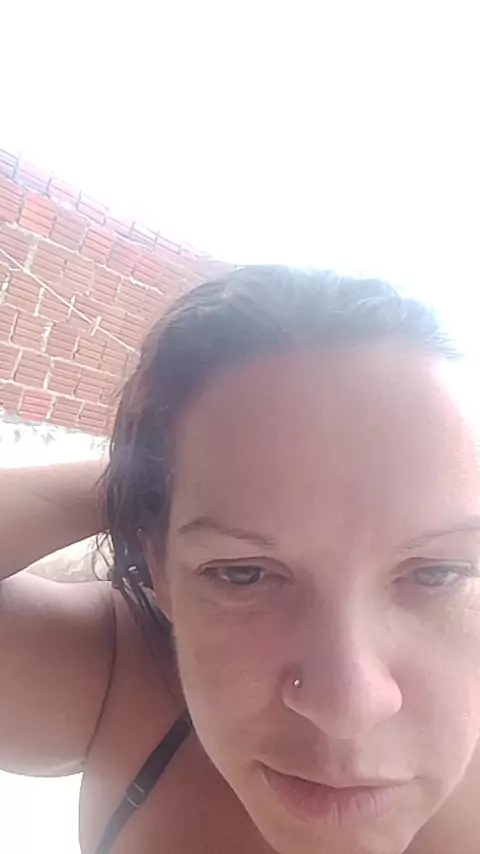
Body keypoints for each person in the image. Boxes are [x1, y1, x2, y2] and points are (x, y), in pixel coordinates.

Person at [1, 265, 480, 854]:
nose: (346, 708)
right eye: (243, 573)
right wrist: (148, 480)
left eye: (437, 571)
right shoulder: (123, 680)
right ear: (160, 566)